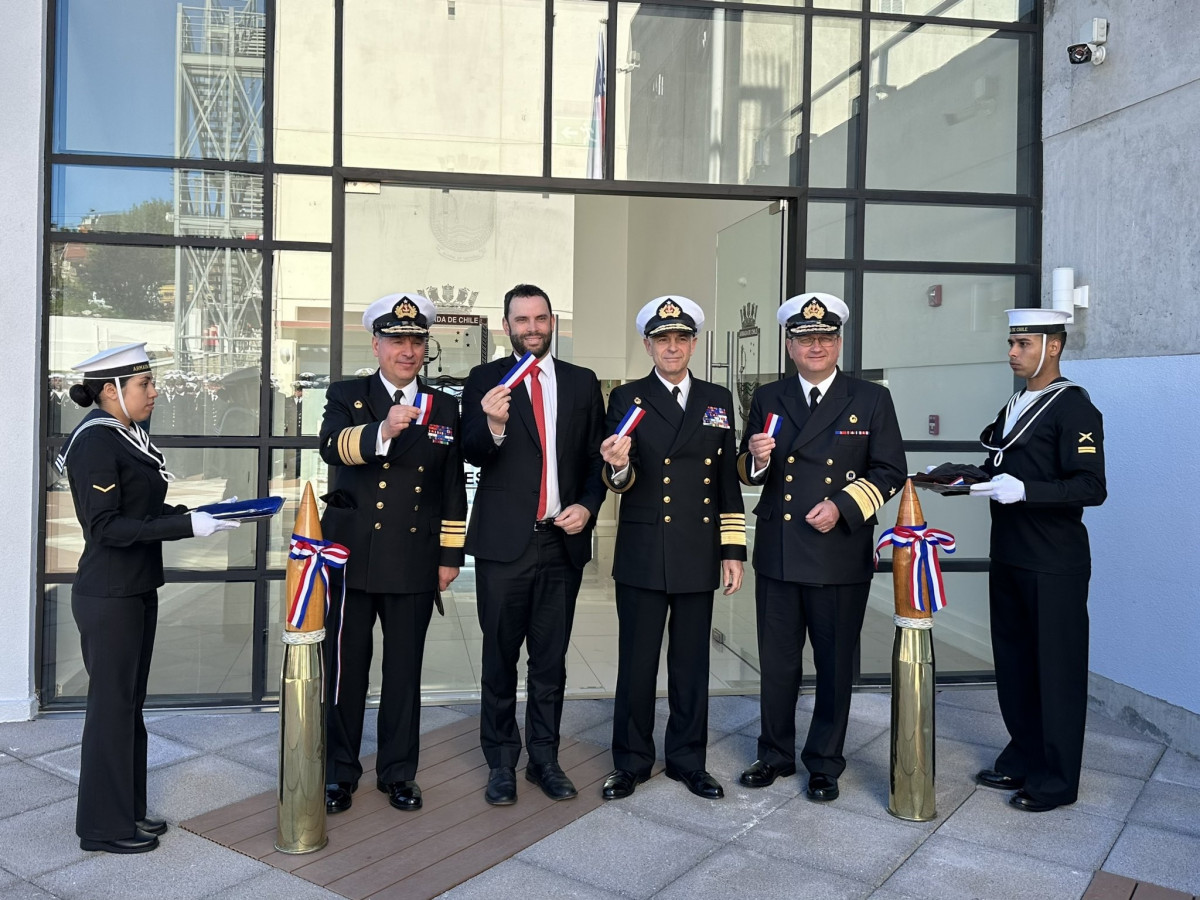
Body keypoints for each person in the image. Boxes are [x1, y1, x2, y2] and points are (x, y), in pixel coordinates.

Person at [58, 343, 239, 854]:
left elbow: (145, 508)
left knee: (128, 707)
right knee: (111, 710)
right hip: (109, 593)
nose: (154, 391)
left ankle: (127, 811)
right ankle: (102, 828)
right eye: (145, 384)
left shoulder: (126, 434)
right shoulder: (97, 441)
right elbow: (107, 525)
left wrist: (202, 515)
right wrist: (186, 526)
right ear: (111, 391)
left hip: (135, 587)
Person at [736, 293, 906, 802]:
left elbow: (890, 471)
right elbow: (748, 471)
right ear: (790, 346)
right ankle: (774, 754)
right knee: (779, 663)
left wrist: (844, 507)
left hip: (839, 552)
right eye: (806, 338)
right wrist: (757, 459)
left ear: (839, 343)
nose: (817, 346)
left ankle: (826, 762)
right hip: (782, 551)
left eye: (826, 337)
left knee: (834, 667)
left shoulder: (871, 398)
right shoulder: (768, 396)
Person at [319, 292, 467, 814]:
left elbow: (453, 485)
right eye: (396, 340)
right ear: (377, 344)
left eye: (416, 340)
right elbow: (330, 446)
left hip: (414, 558)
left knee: (404, 672)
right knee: (347, 672)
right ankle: (339, 773)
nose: (407, 350)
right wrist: (382, 431)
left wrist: (450, 556)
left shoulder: (444, 405)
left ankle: (399, 773)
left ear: (426, 346)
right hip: (352, 557)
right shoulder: (347, 394)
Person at [461, 284, 606, 806]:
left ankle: (544, 758)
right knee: (499, 658)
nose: (532, 328)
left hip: (560, 542)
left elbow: (596, 461)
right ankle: (501, 761)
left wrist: (588, 507)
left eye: (540, 318)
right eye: (521, 320)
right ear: (506, 327)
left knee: (551, 661)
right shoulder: (483, 380)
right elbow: (472, 452)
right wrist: (494, 424)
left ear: (552, 323)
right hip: (505, 546)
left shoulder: (581, 382)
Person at [598, 296, 745, 801]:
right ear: (648, 344)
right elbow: (620, 476)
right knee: (636, 663)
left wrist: (733, 550)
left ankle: (688, 760)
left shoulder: (717, 398)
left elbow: (726, 478)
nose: (672, 347)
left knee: (690, 664)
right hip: (643, 546)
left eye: (681, 338)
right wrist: (616, 466)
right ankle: (631, 761)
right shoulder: (627, 398)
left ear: (694, 344)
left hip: (698, 548)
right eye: (662, 339)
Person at [969, 307, 1106, 813]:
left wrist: (1025, 490)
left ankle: (1056, 779)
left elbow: (1091, 487)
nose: (1012, 352)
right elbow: (1001, 463)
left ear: (1053, 346)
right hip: (1009, 555)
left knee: (1056, 670)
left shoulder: (1074, 409)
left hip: (1053, 562)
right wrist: (967, 479)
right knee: (1016, 666)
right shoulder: (1016, 403)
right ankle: (1024, 754)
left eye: (1023, 344)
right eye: (1011, 342)